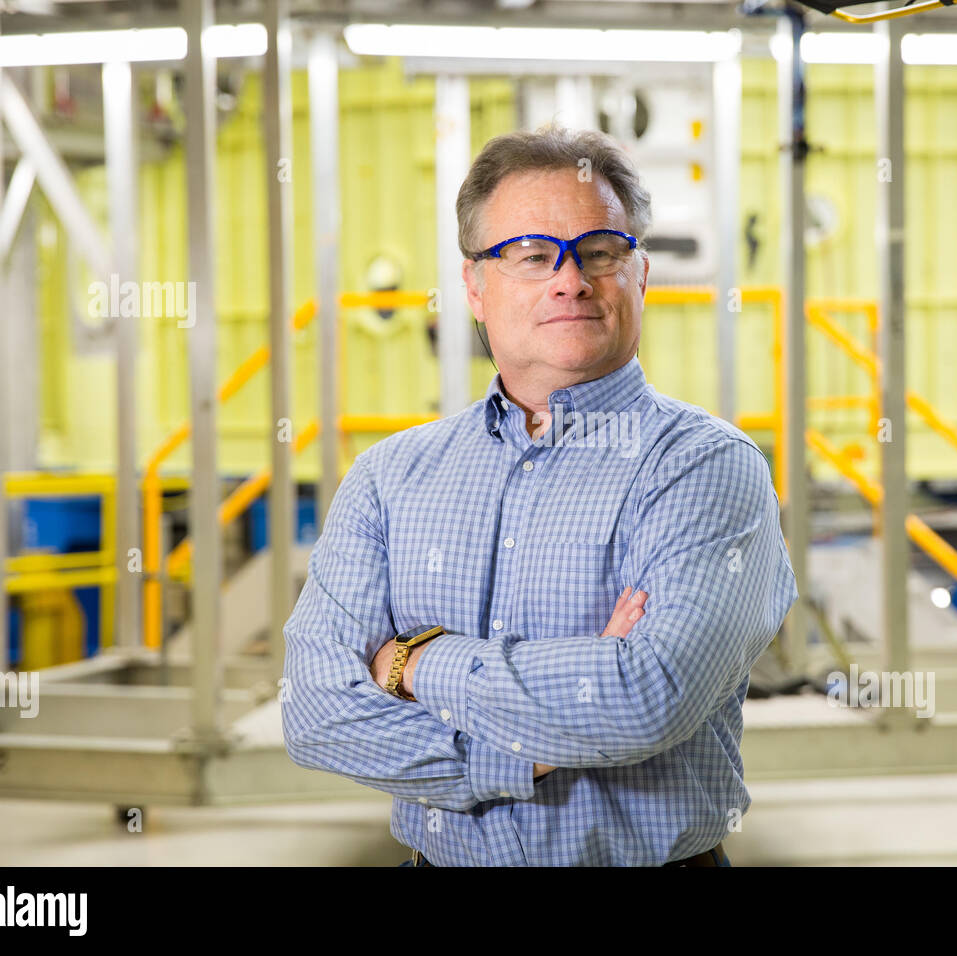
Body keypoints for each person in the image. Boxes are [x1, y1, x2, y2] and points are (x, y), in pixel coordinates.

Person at [281, 123, 798, 866]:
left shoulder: (706, 467)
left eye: (599, 252)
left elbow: (646, 697)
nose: (570, 280)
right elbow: (316, 711)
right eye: (530, 256)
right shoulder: (390, 477)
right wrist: (538, 742)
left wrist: (414, 663)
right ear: (474, 288)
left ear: (640, 274)